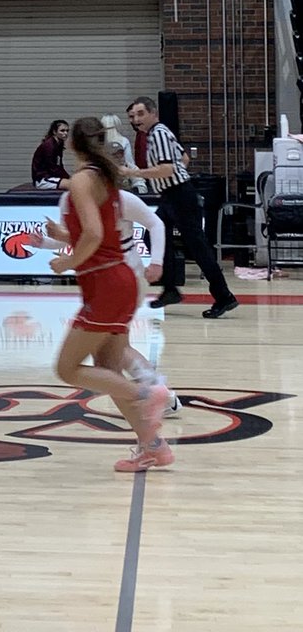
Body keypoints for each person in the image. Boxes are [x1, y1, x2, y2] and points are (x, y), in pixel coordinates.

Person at [48, 116, 172, 472]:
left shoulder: (81, 181)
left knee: (67, 369)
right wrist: (60, 235)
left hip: (106, 283)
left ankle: (148, 393)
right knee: (108, 371)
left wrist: (66, 262)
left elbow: (93, 236)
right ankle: (153, 446)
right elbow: (95, 234)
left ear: (71, 144)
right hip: (118, 280)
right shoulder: (104, 177)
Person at [123, 96, 238, 319]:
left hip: (180, 195)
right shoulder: (158, 134)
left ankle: (224, 296)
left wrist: (135, 173)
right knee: (154, 235)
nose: (136, 120)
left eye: (140, 114)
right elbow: (183, 159)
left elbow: (167, 169)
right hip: (172, 195)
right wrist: (170, 177)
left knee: (198, 248)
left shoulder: (158, 134)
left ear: (153, 113)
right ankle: (170, 288)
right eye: (132, 116)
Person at [101, 113, 147, 193]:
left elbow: (140, 184)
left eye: (121, 154)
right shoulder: (100, 171)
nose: (119, 157)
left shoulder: (130, 168)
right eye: (114, 155)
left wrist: (133, 191)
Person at [30, 120, 70, 185]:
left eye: (67, 131)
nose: (65, 133)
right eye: (62, 131)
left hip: (51, 177)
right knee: (71, 185)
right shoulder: (49, 146)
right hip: (42, 179)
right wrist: (67, 178)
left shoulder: (58, 145)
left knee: (72, 183)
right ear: (54, 132)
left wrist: (67, 177)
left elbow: (59, 165)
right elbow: (52, 167)